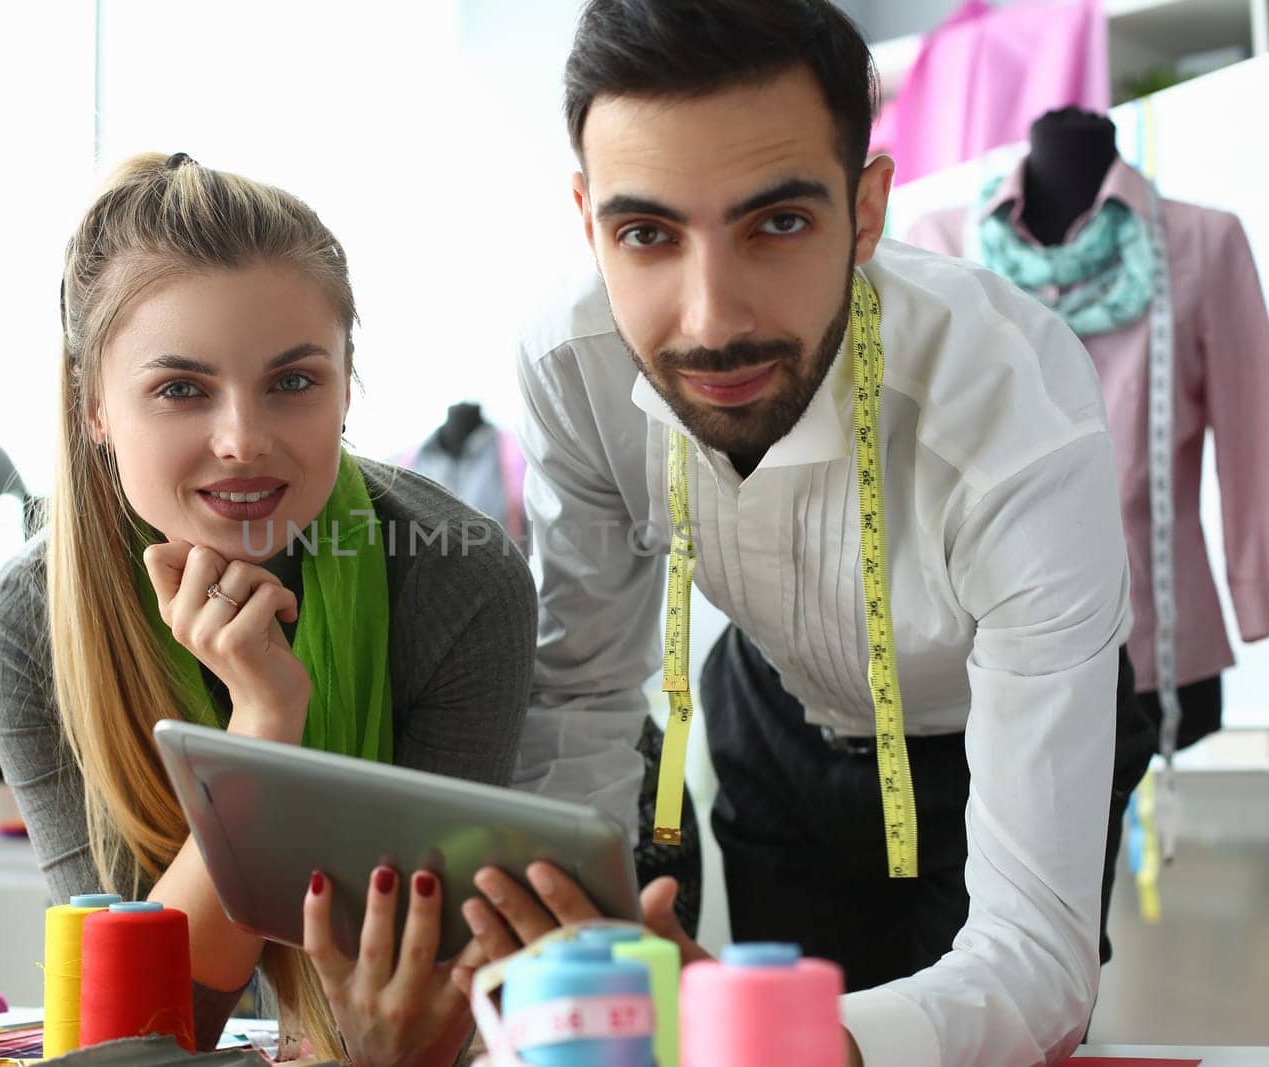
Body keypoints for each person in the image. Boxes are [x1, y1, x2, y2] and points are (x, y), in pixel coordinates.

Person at [461, 3, 1158, 1065]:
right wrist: (573, 929)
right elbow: (586, 690)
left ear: (864, 209)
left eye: (776, 223)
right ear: (587, 217)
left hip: (989, 735)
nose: (710, 319)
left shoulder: (1016, 412)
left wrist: (810, 1037)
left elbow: (1035, 963)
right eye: (645, 232)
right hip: (773, 721)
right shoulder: (568, 365)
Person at [0, 152, 538, 1064]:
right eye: (181, 389)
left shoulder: (458, 581)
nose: (242, 440)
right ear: (94, 408)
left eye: (293, 381)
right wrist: (263, 729)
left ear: (347, 385)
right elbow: (134, 1035)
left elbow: (422, 1020)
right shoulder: (27, 625)